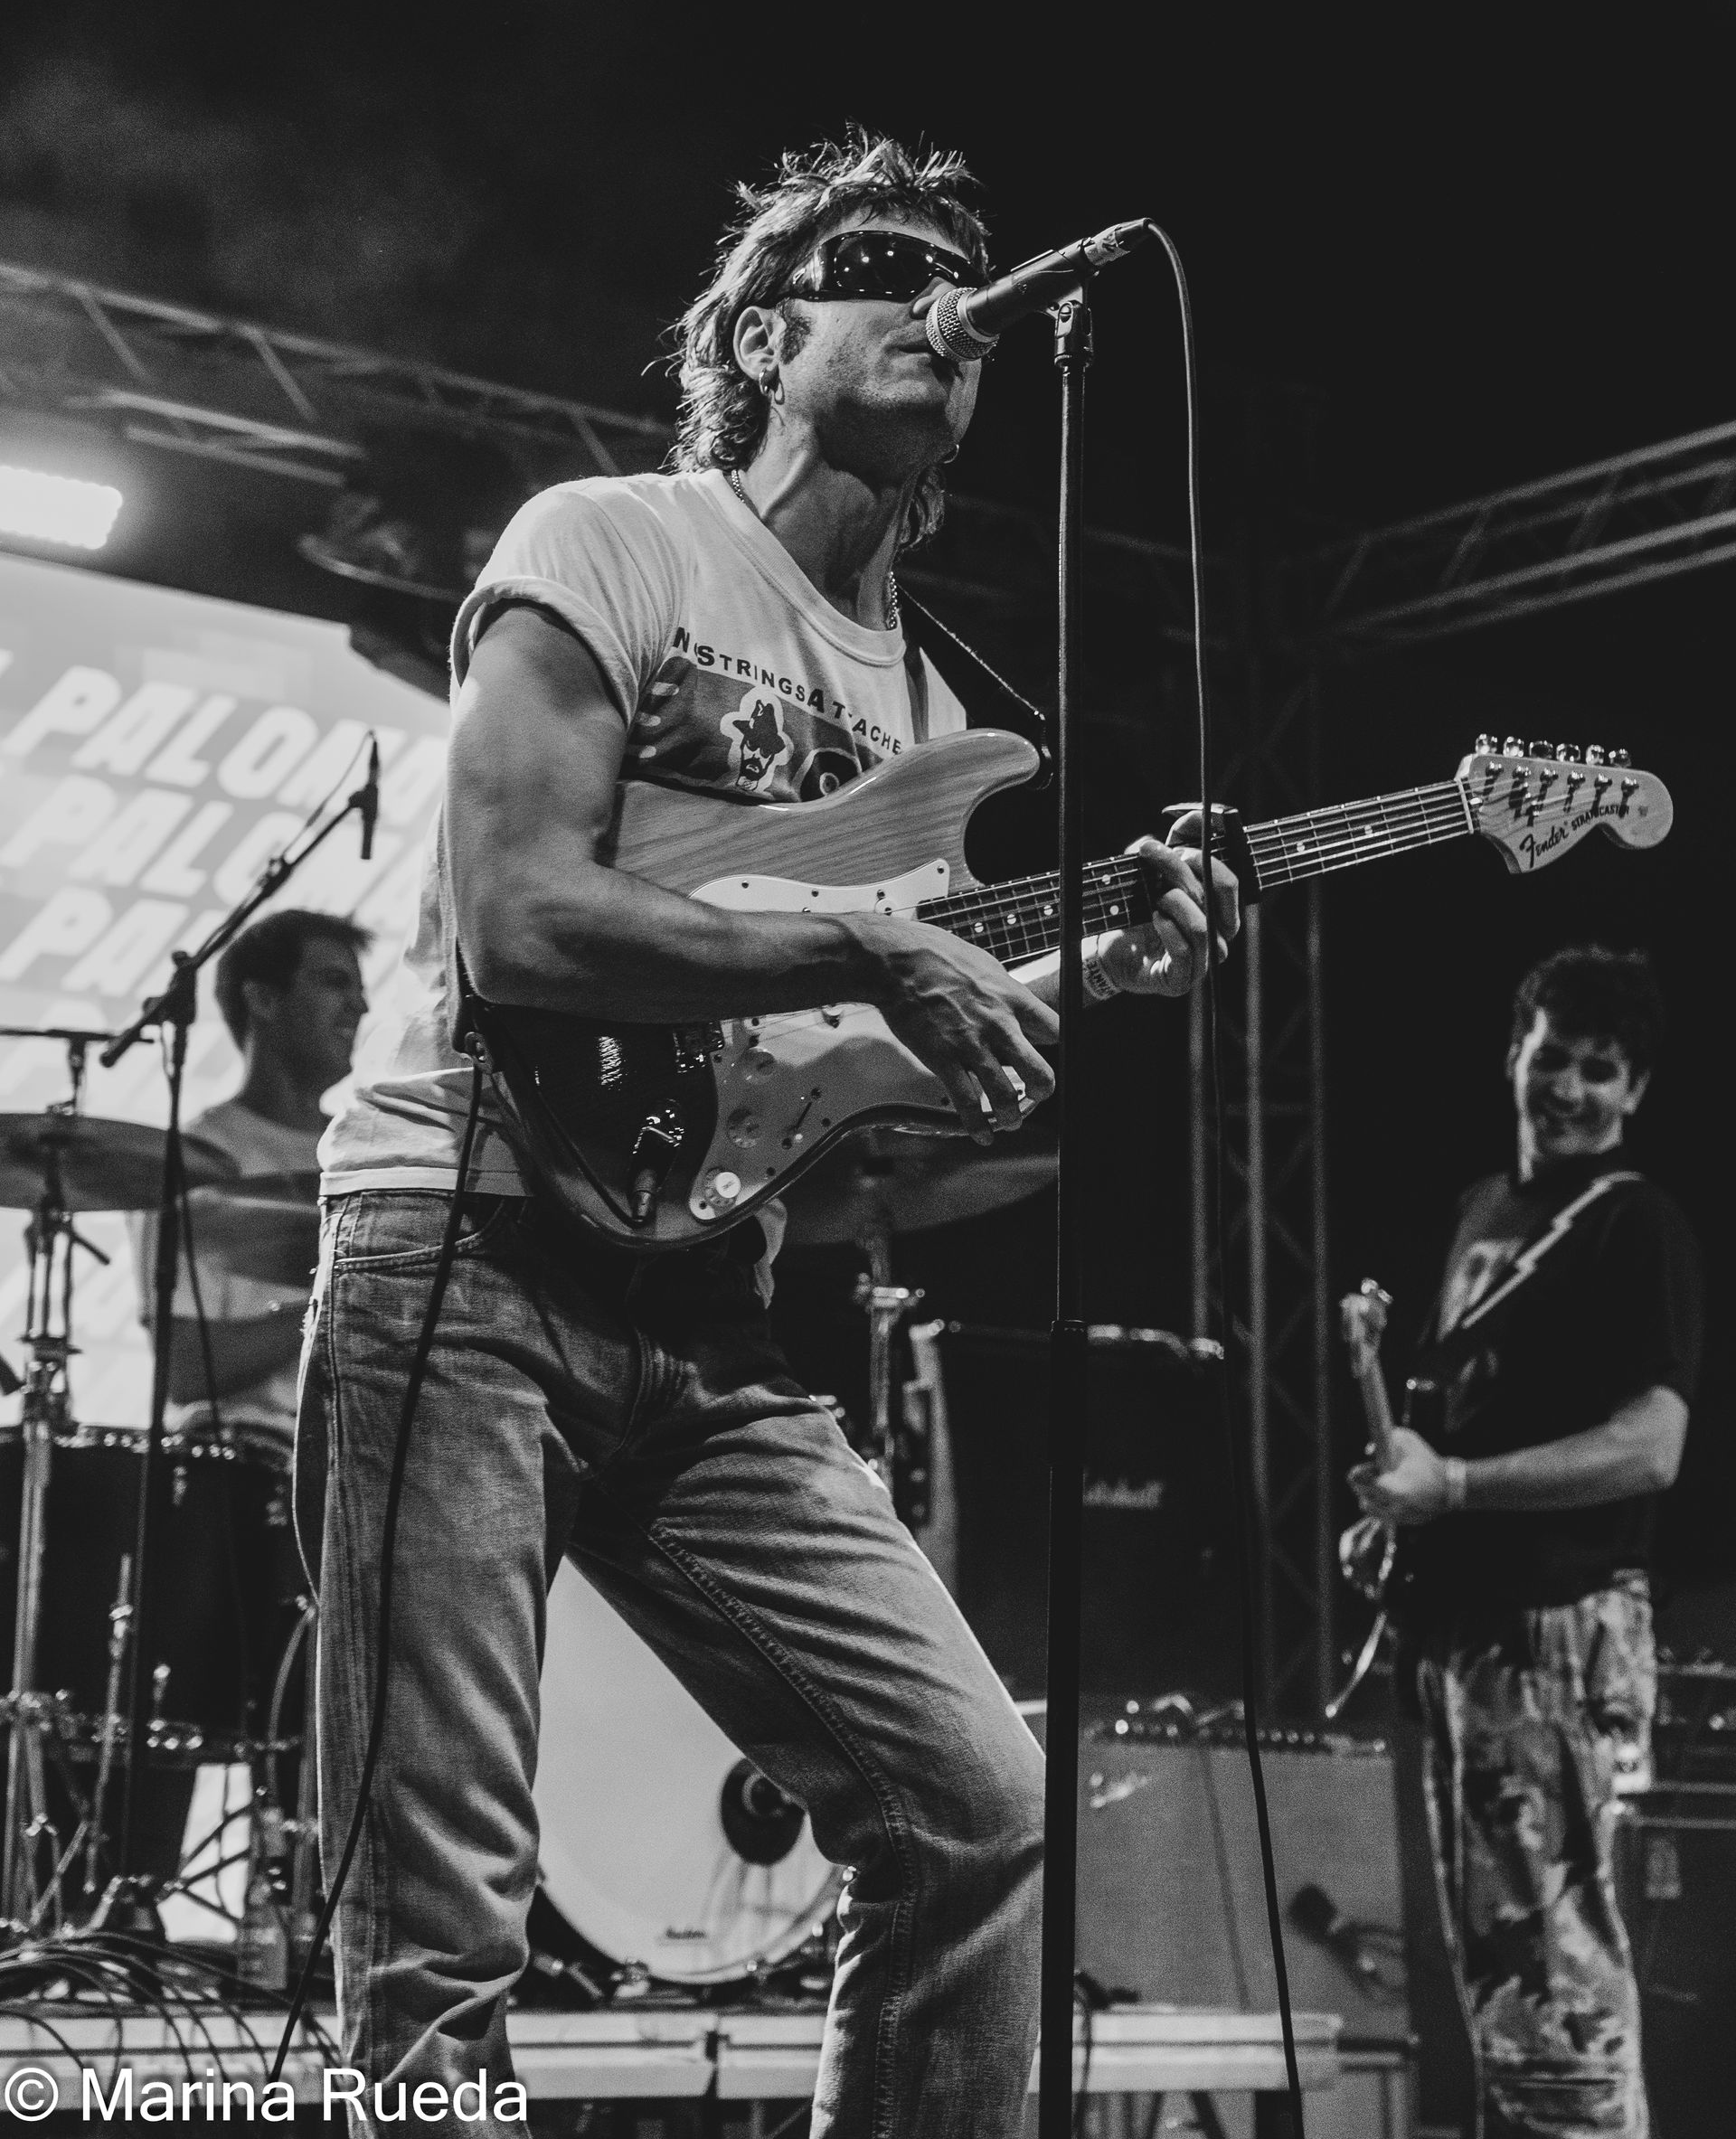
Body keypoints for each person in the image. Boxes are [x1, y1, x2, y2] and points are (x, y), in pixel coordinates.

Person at [304, 130, 1239, 2139]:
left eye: (965, 280)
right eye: (887, 262)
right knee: (440, 1930)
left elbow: (841, 1059)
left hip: (707, 1311)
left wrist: (1093, 983)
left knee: (974, 1807)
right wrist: (870, 947)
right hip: (462, 1243)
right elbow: (520, 920)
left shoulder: (926, 710)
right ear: (755, 333)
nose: (947, 306)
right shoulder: (613, 540)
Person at [1351, 945, 1703, 2139]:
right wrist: (1398, 1517)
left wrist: (1451, 1484)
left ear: (1634, 1092)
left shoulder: (1634, 1226)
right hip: (1467, 1637)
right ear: (1514, 1054)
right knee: (1508, 1990)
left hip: (1562, 1635)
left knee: (1561, 1989)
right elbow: (1466, 1430)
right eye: (1552, 1057)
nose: (1569, 1089)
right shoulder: (1479, 1213)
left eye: (1599, 1071)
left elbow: (1652, 1446)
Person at [136, 908, 371, 1446]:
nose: (360, 1006)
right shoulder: (192, 1160)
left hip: (360, 1454)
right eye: (334, 982)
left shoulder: (367, 1150)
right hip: (240, 1461)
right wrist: (335, 1304)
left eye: (359, 988)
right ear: (263, 1000)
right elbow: (188, 1370)